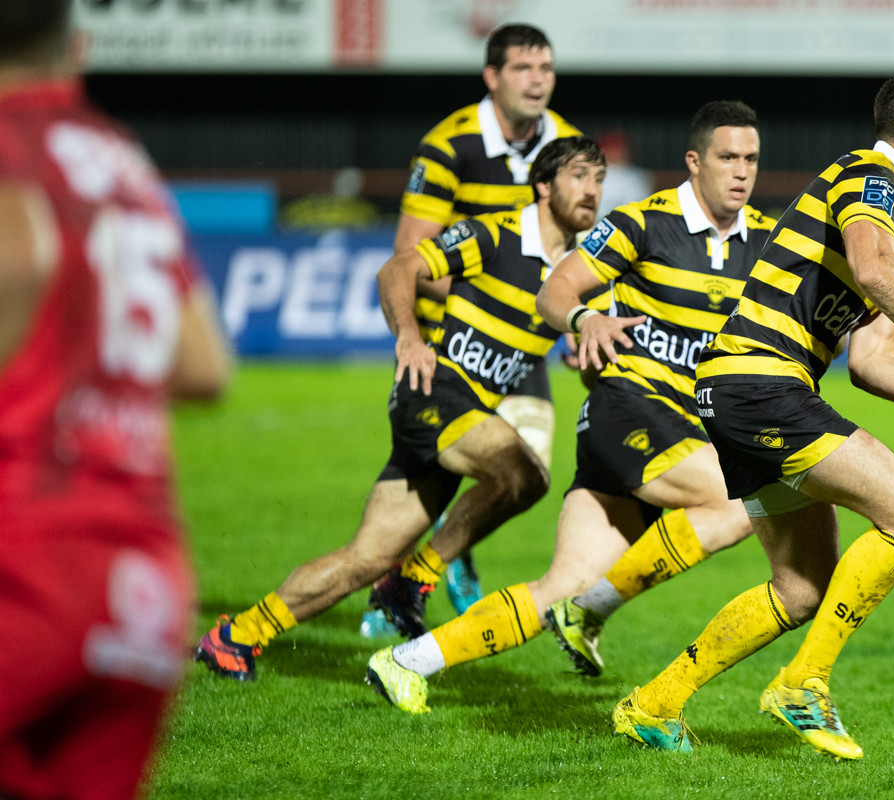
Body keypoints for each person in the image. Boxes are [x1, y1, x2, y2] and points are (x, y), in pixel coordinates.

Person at [610, 67, 894, 760]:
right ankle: (804, 683)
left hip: (746, 391)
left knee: (801, 589)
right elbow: (870, 268)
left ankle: (653, 704)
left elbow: (868, 362)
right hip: (760, 385)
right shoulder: (871, 177)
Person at [364, 101, 776, 712]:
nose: (741, 172)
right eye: (727, 157)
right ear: (694, 162)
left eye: (751, 159)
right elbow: (555, 288)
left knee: (561, 585)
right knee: (743, 499)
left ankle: (405, 661)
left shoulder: (767, 244)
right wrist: (584, 319)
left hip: (675, 436)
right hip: (627, 413)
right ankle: (593, 611)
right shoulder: (641, 223)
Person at [194, 137, 605, 681]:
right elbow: (397, 270)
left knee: (363, 559)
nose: (592, 190)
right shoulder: (495, 232)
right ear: (544, 186)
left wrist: (586, 359)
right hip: (434, 392)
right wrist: (409, 338)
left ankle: (237, 636)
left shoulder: (580, 272)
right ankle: (416, 578)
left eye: (599, 179)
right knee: (525, 475)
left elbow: (591, 361)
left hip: (465, 414)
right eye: (579, 176)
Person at [0, 2, 231, 797]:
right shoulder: (118, 157)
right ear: (78, 45)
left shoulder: (7, 149)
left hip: (22, 558)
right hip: (141, 584)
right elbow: (204, 366)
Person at [366, 23, 584, 626]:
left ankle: (443, 555)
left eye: (546, 68)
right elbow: (410, 250)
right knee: (448, 478)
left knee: (526, 468)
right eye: (523, 69)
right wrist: (499, 290)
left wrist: (572, 320)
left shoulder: (564, 141)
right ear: (492, 77)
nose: (538, 81)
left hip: (522, 342)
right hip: (449, 341)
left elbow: (568, 249)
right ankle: (415, 576)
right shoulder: (450, 144)